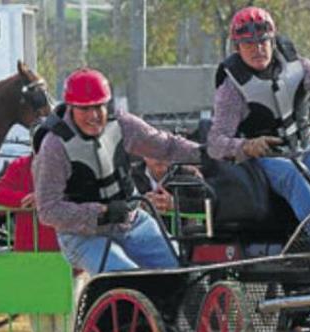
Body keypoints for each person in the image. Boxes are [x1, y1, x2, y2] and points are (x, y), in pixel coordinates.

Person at [207, 6, 310, 248]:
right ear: (237, 47)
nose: (258, 49)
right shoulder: (231, 89)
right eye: (249, 44)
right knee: (291, 176)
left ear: (273, 40)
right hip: (264, 160)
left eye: (263, 41)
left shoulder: (299, 65)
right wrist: (246, 145)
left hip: (304, 147)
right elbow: (215, 142)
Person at [33, 68, 202, 274]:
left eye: (99, 107)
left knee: (179, 267)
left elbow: (165, 145)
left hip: (131, 222)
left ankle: (180, 303)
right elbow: (48, 210)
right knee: (126, 276)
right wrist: (101, 213)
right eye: (85, 109)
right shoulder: (54, 147)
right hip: (82, 236)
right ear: (70, 107)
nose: (94, 116)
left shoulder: (122, 124)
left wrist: (205, 154)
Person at [0, 128, 73, 332]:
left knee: (69, 322)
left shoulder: (73, 167)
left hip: (67, 258)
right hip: (32, 258)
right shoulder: (19, 167)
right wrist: (24, 200)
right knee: (41, 325)